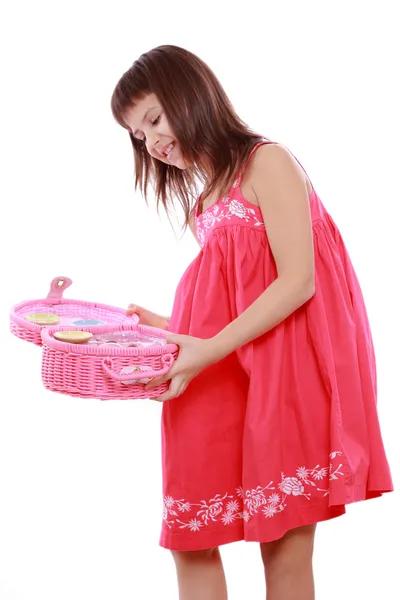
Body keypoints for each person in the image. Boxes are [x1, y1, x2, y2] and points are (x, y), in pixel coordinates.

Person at [111, 45, 393, 600]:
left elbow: (297, 283)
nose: (152, 142)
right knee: (191, 537)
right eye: (138, 136)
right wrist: (171, 326)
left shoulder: (268, 162)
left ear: (191, 95)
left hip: (284, 383)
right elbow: (236, 303)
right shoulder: (206, 203)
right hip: (222, 376)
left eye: (153, 119)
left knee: (282, 546)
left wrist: (205, 347)